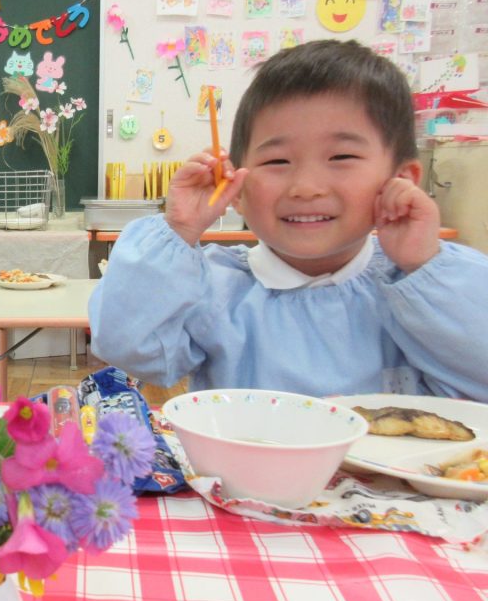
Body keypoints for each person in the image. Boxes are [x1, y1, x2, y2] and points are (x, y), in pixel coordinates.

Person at [90, 39, 488, 400]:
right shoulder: (217, 289)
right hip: (245, 481)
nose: (306, 186)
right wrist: (177, 230)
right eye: (277, 161)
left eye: (342, 157)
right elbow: (127, 348)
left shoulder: (419, 287)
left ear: (401, 180)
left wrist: (424, 266)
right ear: (237, 188)